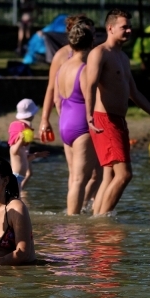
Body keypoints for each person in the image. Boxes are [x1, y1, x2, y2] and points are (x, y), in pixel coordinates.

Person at [85, 9, 150, 216]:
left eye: (129, 27)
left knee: (109, 175)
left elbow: (134, 93)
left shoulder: (123, 57)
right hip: (104, 119)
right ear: (110, 28)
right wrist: (89, 115)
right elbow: (90, 85)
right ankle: (103, 221)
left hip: (118, 121)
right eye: (123, 27)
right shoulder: (100, 53)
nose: (128, 30)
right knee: (124, 174)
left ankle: (95, 220)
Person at [54, 22, 98, 214]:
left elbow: (57, 99)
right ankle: (73, 223)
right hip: (81, 125)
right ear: (91, 43)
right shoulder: (84, 68)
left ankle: (72, 213)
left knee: (74, 177)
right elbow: (91, 100)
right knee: (81, 179)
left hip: (64, 122)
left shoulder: (62, 67)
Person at [39, 15, 94, 143]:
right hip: (72, 119)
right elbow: (51, 88)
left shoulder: (94, 53)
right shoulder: (61, 56)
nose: (93, 37)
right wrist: (44, 119)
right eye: (89, 33)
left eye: (93, 33)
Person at [8, 99, 48, 190]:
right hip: (14, 179)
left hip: (19, 179)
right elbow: (14, 150)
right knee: (14, 200)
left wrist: (37, 155)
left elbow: (26, 160)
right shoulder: (14, 149)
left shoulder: (22, 150)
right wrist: (21, 140)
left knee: (17, 200)